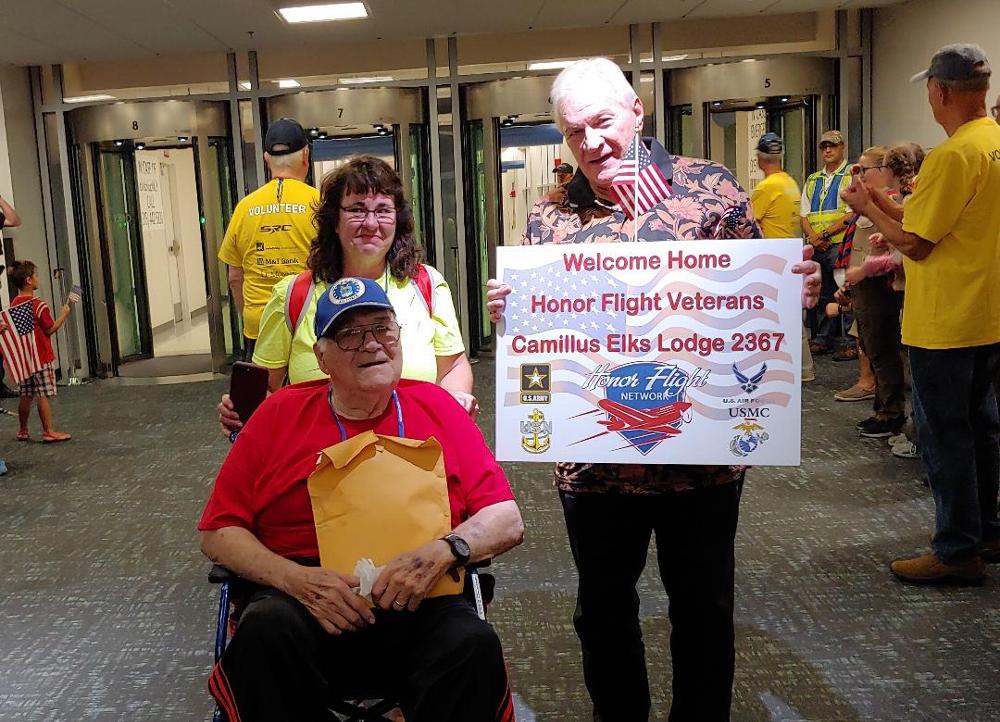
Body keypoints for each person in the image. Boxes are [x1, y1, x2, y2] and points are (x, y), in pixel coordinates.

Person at [487, 58, 821, 722]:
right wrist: (512, 313)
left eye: (603, 122)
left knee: (704, 610)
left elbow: (758, 317)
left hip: (700, 461)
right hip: (594, 464)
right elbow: (542, 350)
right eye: (574, 132)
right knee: (603, 613)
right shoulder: (550, 219)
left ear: (637, 111)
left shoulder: (712, 189)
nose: (591, 143)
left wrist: (792, 295)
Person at [200, 277, 523, 722]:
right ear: (321, 357)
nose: (372, 344)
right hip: (305, 601)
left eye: (382, 328)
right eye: (350, 335)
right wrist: (296, 581)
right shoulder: (279, 414)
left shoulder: (437, 406)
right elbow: (219, 531)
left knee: (471, 645)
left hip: (420, 593)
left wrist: (443, 552)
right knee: (264, 634)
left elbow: (506, 517)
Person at [842, 43, 1000, 585]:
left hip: (946, 321)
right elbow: (931, 218)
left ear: (940, 91)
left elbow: (916, 241)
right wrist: (882, 203)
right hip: (988, 314)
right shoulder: (992, 144)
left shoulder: (953, 155)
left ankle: (956, 549)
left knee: (946, 436)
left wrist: (865, 208)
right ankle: (987, 530)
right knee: (982, 429)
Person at [219, 156, 475, 436]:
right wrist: (243, 413)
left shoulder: (425, 284)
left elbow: (453, 366)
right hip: (319, 463)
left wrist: (455, 403)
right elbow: (266, 385)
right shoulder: (294, 295)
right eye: (357, 209)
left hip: (415, 458)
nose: (371, 223)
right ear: (334, 221)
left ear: (397, 219)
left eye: (383, 210)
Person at [218, 117, 319, 359]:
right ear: (306, 155)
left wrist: (249, 317)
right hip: (309, 319)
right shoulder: (320, 203)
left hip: (259, 323)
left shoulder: (244, 208)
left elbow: (234, 277)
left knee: (268, 394)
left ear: (266, 159)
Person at [750, 132, 815, 382]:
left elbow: (750, 221)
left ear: (759, 159)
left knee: (775, 318)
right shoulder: (790, 182)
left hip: (772, 257)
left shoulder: (767, 187)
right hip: (791, 252)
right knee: (792, 315)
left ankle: (787, 369)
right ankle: (804, 368)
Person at [6, 261, 76, 442]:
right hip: (41, 356)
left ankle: (23, 430)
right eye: (36, 276)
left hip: (25, 357)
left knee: (26, 393)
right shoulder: (38, 305)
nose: (38, 279)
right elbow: (50, 329)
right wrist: (64, 314)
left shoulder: (15, 303)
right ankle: (48, 431)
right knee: (42, 393)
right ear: (29, 280)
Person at [801, 130, 855, 358]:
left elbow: (852, 213)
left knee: (845, 292)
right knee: (821, 293)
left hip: (840, 245)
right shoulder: (813, 180)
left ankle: (849, 341)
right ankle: (823, 339)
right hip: (818, 246)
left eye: (832, 146)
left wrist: (821, 234)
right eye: (824, 147)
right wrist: (814, 238)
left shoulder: (851, 175)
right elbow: (804, 215)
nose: (827, 150)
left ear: (842, 147)